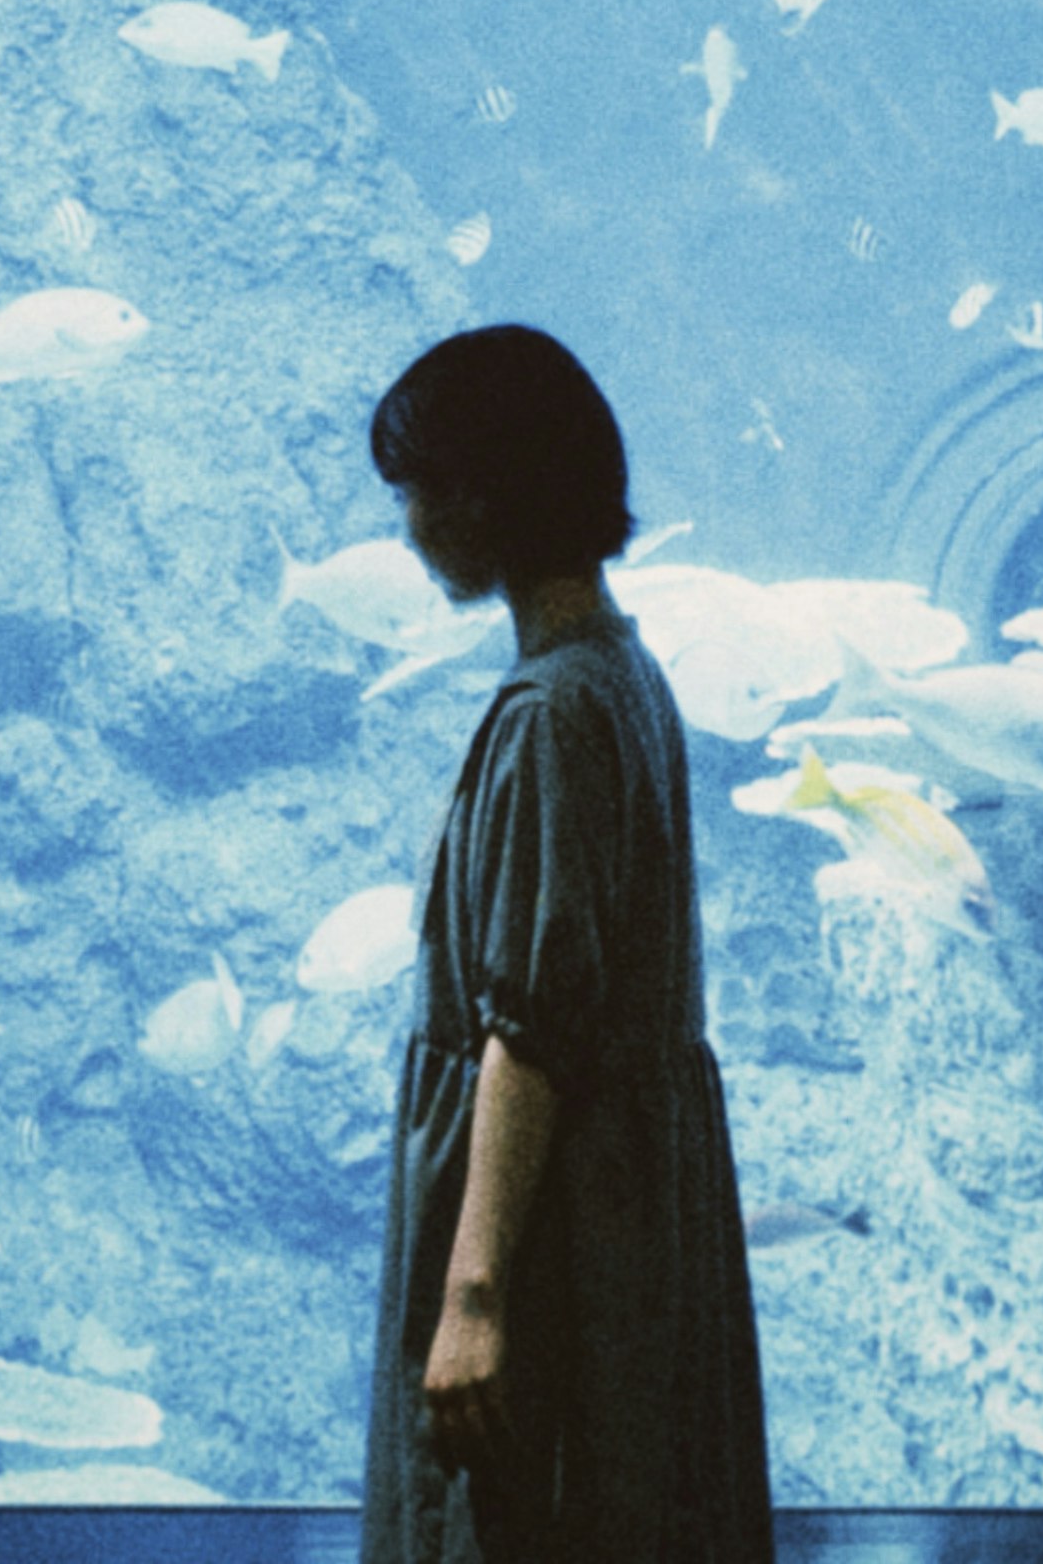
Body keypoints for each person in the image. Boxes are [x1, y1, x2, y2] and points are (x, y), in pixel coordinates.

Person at [360, 325, 772, 1563]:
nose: (413, 526)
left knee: (518, 1519)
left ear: (486, 495)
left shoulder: (547, 715)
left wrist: (474, 1297)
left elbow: (527, 1031)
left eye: (421, 493)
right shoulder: (621, 672)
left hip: (551, 1243)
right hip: (625, 1208)